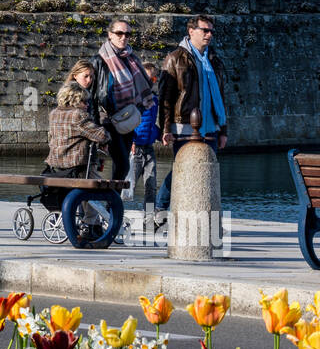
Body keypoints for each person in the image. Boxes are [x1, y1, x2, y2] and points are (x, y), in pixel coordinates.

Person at [156, 14, 228, 211]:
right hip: (184, 125)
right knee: (182, 170)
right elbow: (166, 97)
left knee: (207, 170)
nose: (209, 34)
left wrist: (223, 130)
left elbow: (220, 97)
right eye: (205, 30)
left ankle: (200, 213)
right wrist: (165, 128)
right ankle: (160, 209)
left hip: (211, 125)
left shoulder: (214, 60)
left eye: (211, 31)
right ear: (191, 31)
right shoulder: (175, 58)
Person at [86, 19, 156, 203]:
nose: (124, 37)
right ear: (110, 35)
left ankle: (110, 207)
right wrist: (94, 127)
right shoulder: (99, 61)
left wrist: (138, 111)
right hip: (107, 120)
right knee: (123, 165)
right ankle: (111, 205)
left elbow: (142, 90)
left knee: (122, 167)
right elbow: (92, 96)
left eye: (128, 34)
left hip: (127, 120)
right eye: (119, 33)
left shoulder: (132, 59)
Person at [43, 80, 110, 179]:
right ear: (74, 100)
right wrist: (105, 140)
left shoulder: (54, 113)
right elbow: (102, 135)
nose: (87, 105)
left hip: (56, 166)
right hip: (78, 169)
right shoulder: (78, 115)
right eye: (84, 101)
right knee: (106, 192)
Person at [130, 67, 162, 213]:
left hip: (149, 147)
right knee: (128, 185)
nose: (150, 82)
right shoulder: (133, 98)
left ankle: (148, 218)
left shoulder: (154, 100)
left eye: (153, 79)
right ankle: (111, 213)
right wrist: (130, 142)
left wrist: (160, 135)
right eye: (147, 79)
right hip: (135, 147)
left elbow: (151, 124)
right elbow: (127, 123)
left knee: (151, 184)